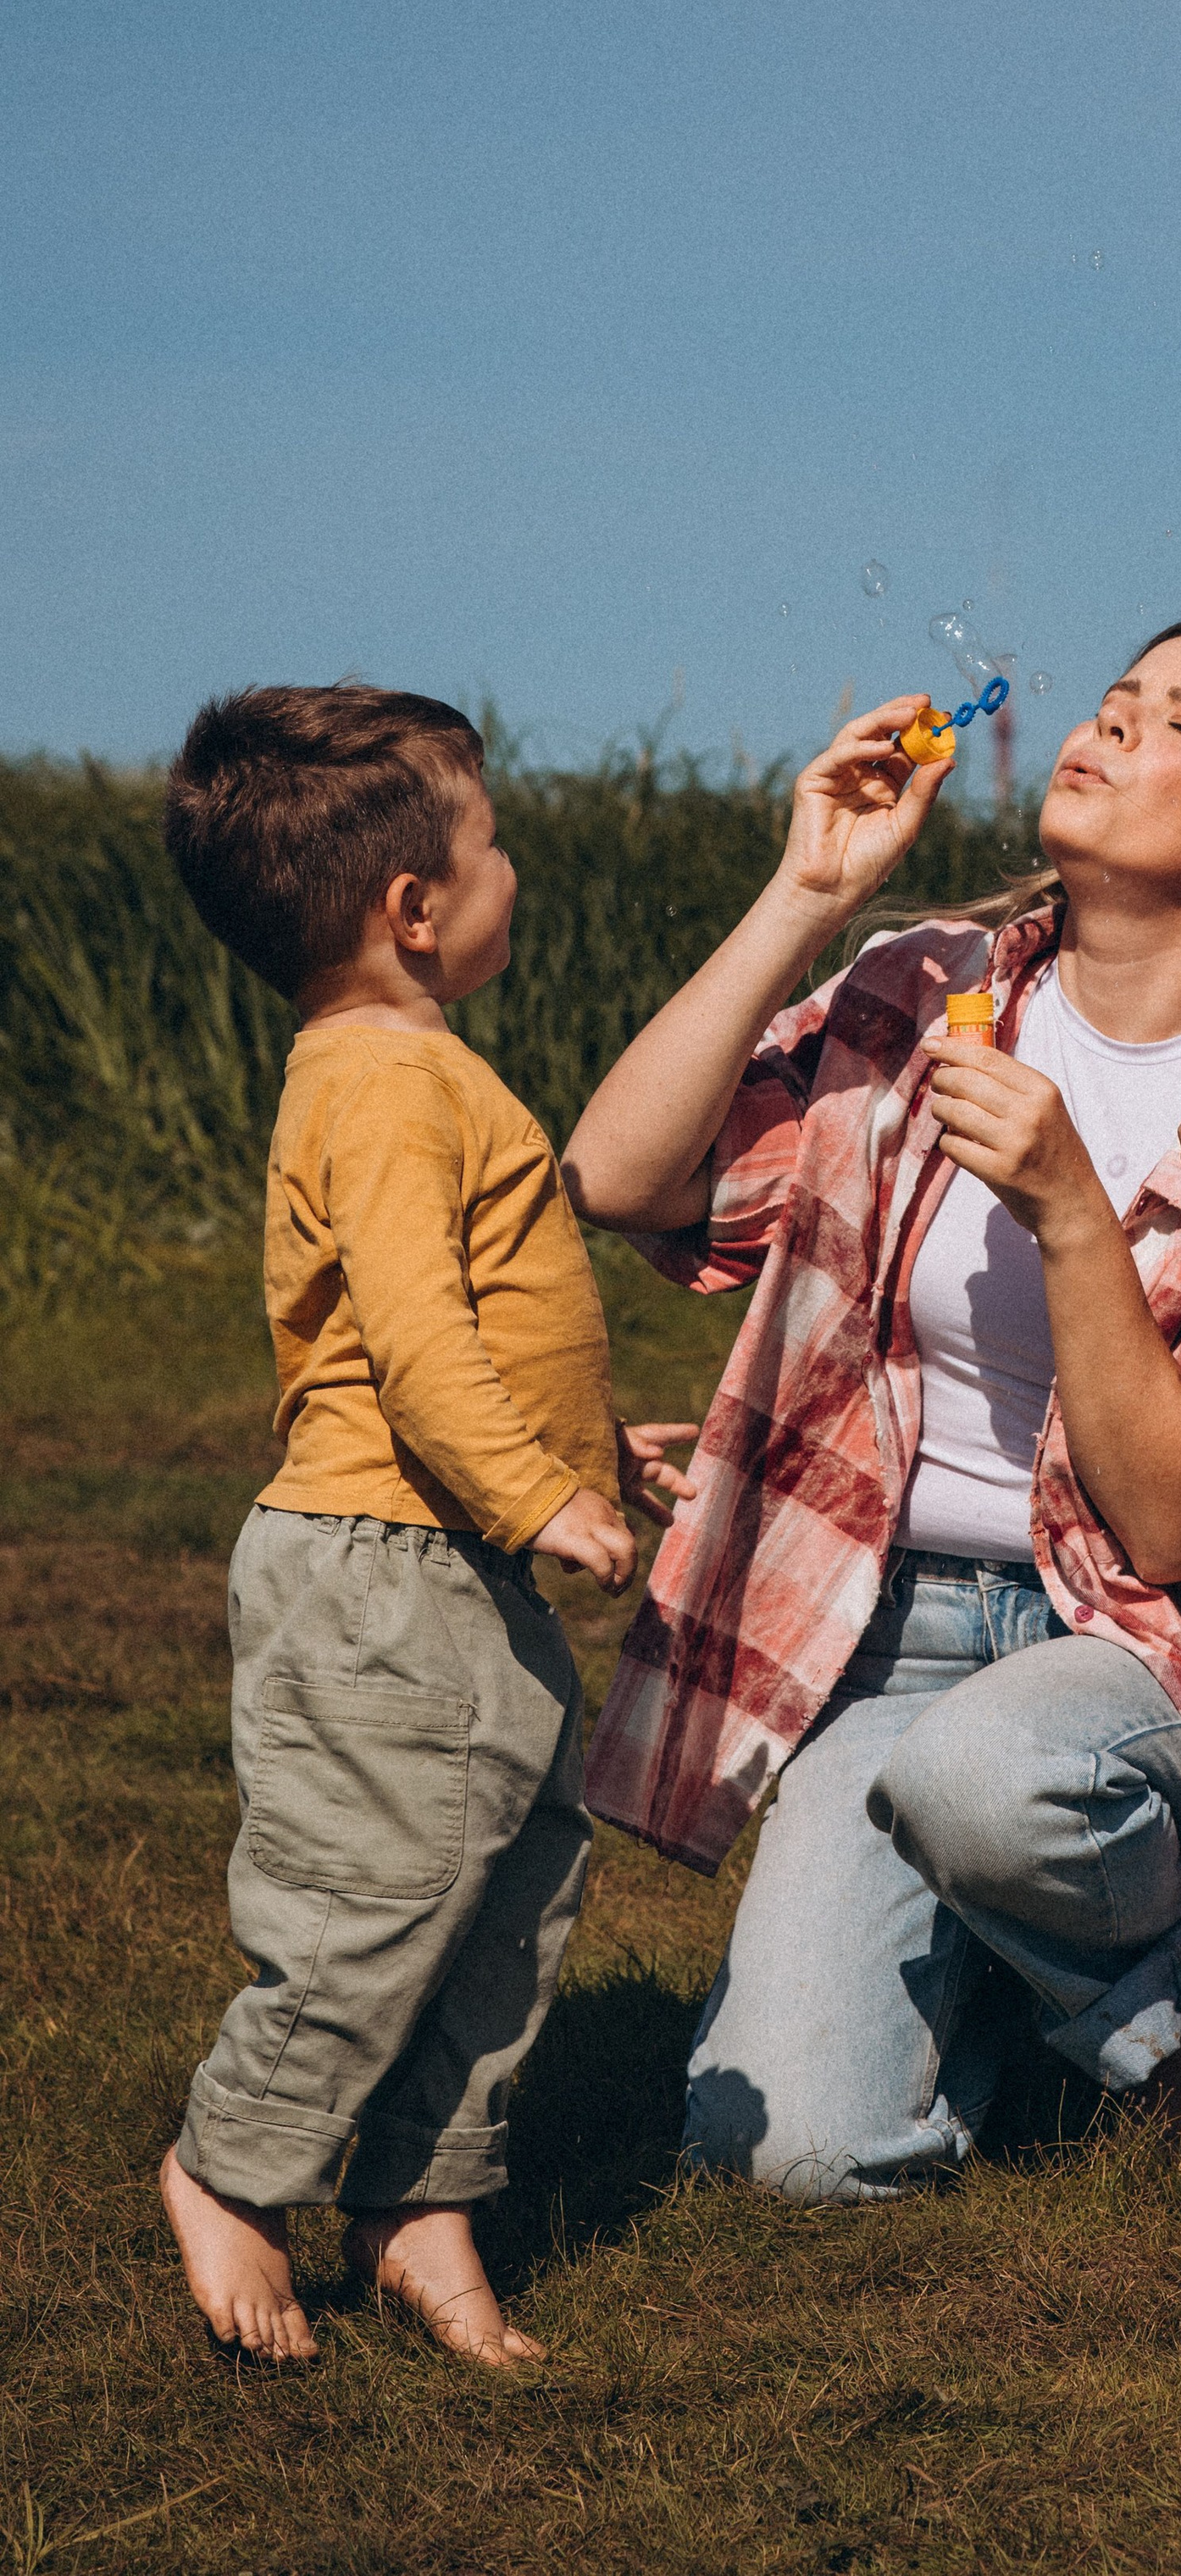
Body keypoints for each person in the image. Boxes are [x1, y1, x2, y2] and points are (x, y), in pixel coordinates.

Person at [563, 617, 1181, 2201]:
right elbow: (621, 1178)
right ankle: (1090, 2003)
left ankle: (1147, 1974)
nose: (1111, 733)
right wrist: (808, 892)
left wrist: (1066, 1210)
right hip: (881, 1640)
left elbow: (1176, 1524)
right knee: (796, 2160)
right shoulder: (924, 990)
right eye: (1113, 706)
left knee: (987, 1786)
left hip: (1123, 1652)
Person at [156, 686, 693, 2363]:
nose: (509, 871)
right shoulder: (387, 1086)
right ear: (414, 910)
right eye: (493, 844)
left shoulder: (415, 1071)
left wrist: (590, 1444)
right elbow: (407, 1331)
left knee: (511, 1881)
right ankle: (230, 2170)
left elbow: (482, 1318)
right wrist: (538, 1493)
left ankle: (419, 2196)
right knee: (378, 1889)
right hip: (384, 1569)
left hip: (448, 1558)